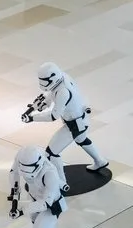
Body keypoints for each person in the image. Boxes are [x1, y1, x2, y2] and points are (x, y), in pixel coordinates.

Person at [21, 62, 109, 192]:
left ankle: (61, 182)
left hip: (75, 124)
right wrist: (43, 103)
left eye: (45, 80)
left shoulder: (63, 91)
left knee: (51, 153)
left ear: (52, 77)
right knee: (81, 140)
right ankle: (100, 161)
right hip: (80, 119)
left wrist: (32, 118)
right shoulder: (62, 79)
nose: (43, 83)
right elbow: (51, 93)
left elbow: (54, 115)